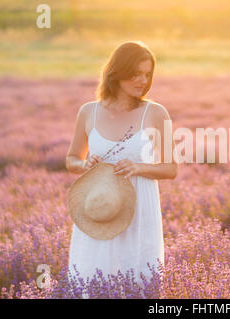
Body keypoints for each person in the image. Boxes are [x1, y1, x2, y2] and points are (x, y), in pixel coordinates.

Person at [65, 41, 178, 298]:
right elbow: (72, 158)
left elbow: (171, 168)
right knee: (93, 280)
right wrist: (84, 165)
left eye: (147, 74)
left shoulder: (156, 113)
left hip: (139, 210)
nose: (142, 80)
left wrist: (138, 167)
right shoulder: (88, 112)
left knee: (138, 281)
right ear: (117, 72)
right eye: (136, 73)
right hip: (99, 209)